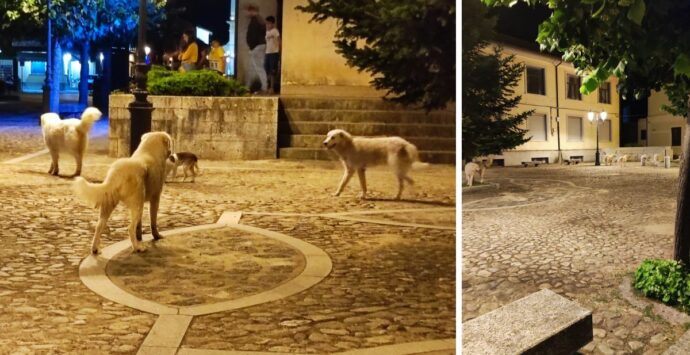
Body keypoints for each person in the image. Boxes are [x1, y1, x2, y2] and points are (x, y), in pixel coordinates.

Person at [246, 4, 267, 93]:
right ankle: (249, 86)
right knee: (255, 67)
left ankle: (264, 87)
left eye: (250, 11)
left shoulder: (255, 20)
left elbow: (253, 35)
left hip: (257, 47)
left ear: (253, 11)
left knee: (259, 68)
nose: (248, 13)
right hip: (258, 46)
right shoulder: (259, 20)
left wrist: (252, 47)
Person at [264, 16, 280, 94]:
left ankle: (272, 88)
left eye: (269, 23)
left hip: (274, 52)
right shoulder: (267, 32)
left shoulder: (275, 31)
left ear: (272, 24)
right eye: (266, 24)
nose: (267, 25)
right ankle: (268, 86)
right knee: (267, 69)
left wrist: (280, 50)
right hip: (268, 53)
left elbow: (279, 40)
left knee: (273, 70)